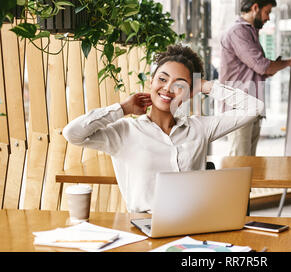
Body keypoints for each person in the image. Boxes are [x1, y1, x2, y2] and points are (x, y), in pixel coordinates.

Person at [63, 44, 264, 213]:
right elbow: (73, 133)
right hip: (144, 226)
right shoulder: (125, 131)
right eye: (162, 79)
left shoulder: (199, 128)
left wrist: (205, 86)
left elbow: (255, 108)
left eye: (179, 84)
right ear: (151, 81)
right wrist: (122, 109)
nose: (167, 88)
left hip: (195, 222)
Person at [219, 0, 291, 156]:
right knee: (239, 164)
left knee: (249, 164)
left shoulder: (251, 32)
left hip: (250, 107)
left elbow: (262, 71)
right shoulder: (238, 31)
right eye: (267, 12)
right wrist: (287, 62)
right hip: (239, 108)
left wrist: (277, 65)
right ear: (255, 8)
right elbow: (263, 67)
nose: (268, 18)